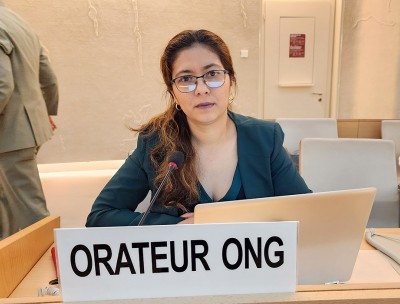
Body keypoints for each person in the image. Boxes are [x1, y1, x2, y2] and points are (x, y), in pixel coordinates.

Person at [86, 29, 311, 227]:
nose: (201, 89)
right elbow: (101, 216)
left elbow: (305, 212)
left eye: (212, 74)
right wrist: (176, 226)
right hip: (180, 273)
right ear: (173, 92)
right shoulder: (155, 142)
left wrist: (217, 220)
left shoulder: (264, 138)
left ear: (231, 82)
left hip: (255, 272)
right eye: (186, 79)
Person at [0, 1, 59, 239]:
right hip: (23, 130)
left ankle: (52, 270)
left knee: (31, 215)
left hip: (10, 135)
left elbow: (2, 86)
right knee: (8, 209)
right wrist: (46, 112)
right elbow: (48, 76)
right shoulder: (17, 21)